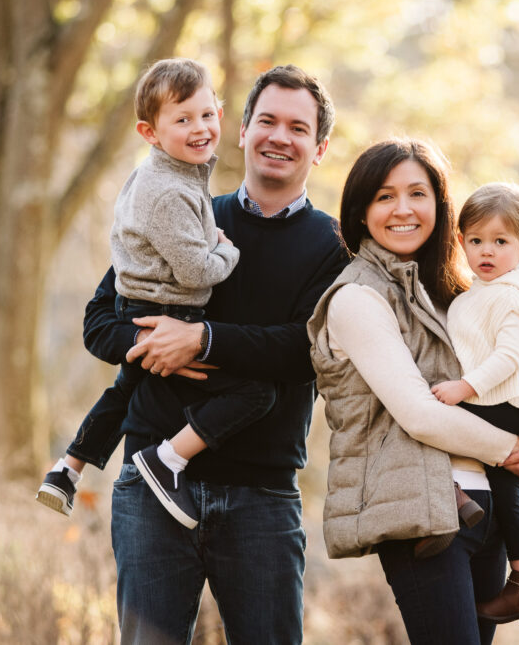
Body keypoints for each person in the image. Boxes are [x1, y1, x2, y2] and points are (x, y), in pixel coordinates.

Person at [82, 65, 349, 644]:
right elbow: (101, 320)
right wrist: (154, 343)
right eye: (267, 121)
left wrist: (202, 340)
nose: (280, 136)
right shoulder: (183, 209)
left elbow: (303, 350)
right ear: (243, 129)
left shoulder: (333, 246)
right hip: (150, 488)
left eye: (298, 128)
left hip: (261, 495)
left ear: (319, 148)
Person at [307, 139, 519, 644]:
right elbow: (419, 415)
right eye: (384, 196)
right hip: (423, 517)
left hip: (488, 508)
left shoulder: (462, 294)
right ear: (360, 212)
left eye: (417, 194)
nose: (403, 209)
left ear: (440, 207)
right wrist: (512, 449)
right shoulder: (357, 298)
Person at [36, 58, 274, 531]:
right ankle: (167, 459)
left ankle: (67, 470)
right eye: (182, 119)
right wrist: (227, 251)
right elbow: (197, 275)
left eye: (206, 114)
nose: (200, 128)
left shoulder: (170, 175)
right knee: (257, 391)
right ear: (150, 132)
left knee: (125, 390)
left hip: (142, 302)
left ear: (221, 114)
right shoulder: (170, 192)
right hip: (164, 308)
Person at [430, 181, 519, 627]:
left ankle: (450, 495)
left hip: (505, 400)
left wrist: (463, 388)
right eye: (475, 241)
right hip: (506, 401)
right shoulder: (486, 291)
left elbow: (509, 357)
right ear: (460, 242)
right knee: (507, 489)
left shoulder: (508, 295)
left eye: (500, 242)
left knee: (430, 417)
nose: (486, 251)